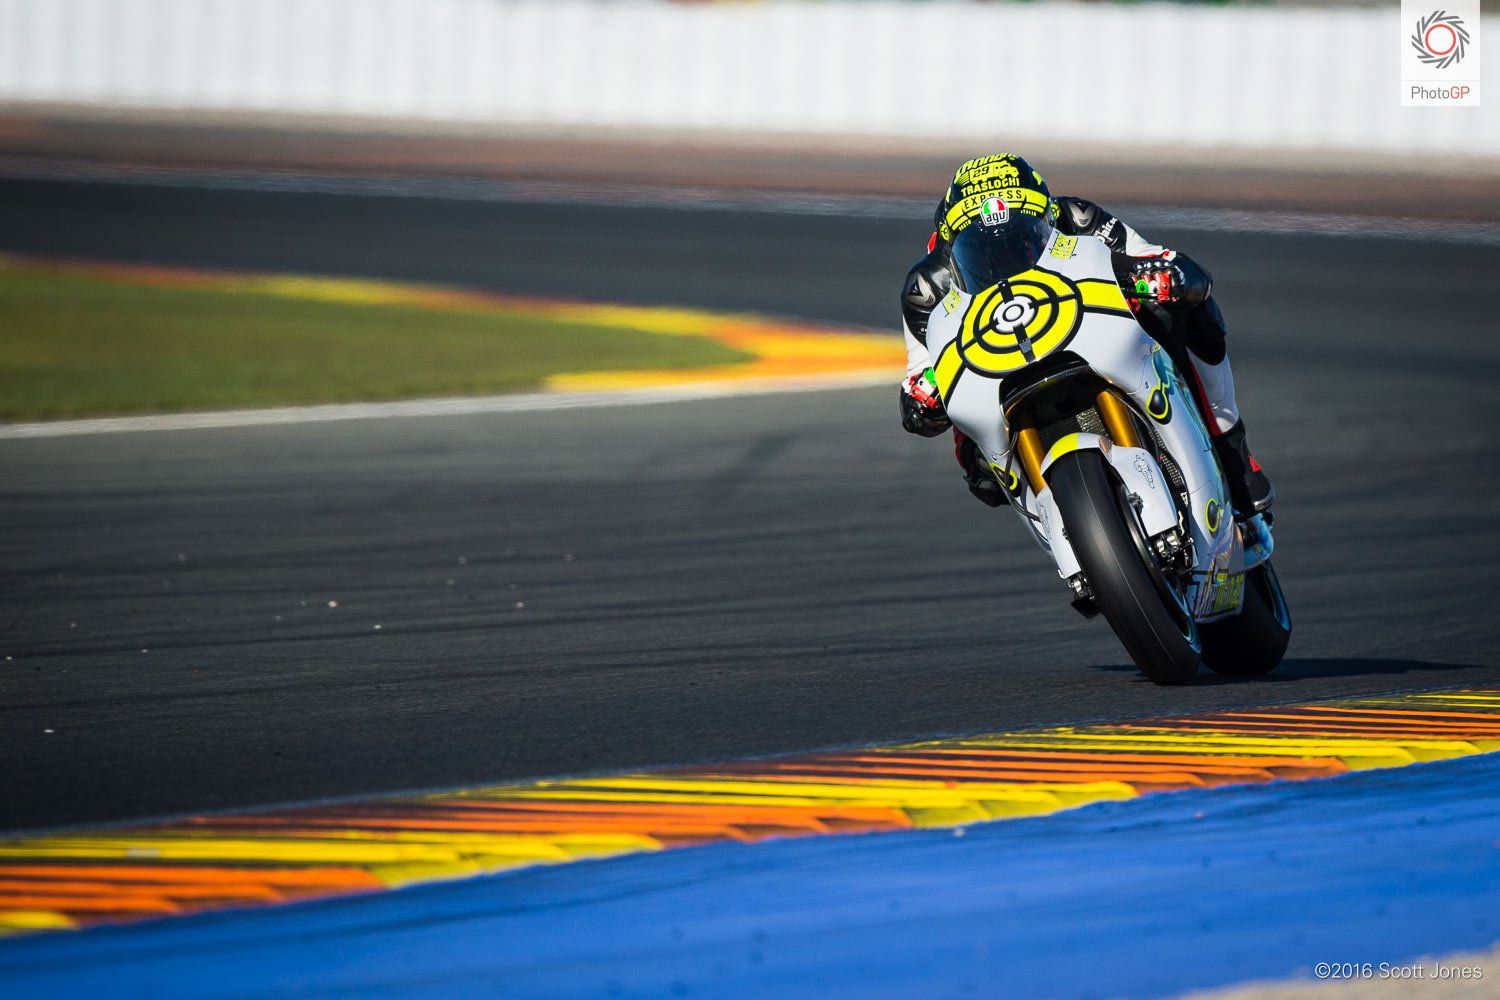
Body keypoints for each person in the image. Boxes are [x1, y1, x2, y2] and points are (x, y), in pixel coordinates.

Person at [897, 153, 1273, 520]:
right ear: (950, 245)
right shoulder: (927, 287)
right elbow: (919, 379)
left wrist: (1161, 276)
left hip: (1086, 333)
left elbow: (1156, 260)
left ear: (1046, 215)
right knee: (979, 472)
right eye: (985, 250)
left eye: (1022, 235)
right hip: (996, 375)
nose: (1007, 254)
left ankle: (1230, 445)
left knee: (1183, 310)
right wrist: (922, 395)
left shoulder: (1078, 217)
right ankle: (1064, 522)